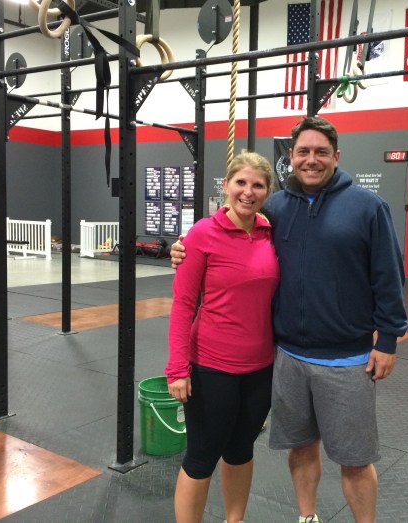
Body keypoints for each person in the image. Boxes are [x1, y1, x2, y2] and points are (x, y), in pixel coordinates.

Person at [172, 117, 408, 523]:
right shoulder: (277, 208)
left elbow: (389, 277)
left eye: (321, 152)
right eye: (303, 152)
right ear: (291, 158)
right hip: (288, 358)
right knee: (300, 447)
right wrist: (185, 246)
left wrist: (387, 339)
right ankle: (307, 517)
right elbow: (228, 229)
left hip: (346, 359)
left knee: (355, 459)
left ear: (336, 156)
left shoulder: (367, 207)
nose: (311, 160)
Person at [166, 151, 279, 523]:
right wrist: (177, 368)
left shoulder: (269, 232)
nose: (248, 191)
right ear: (227, 185)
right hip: (211, 368)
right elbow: (183, 304)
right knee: (201, 458)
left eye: (258, 185)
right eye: (241, 182)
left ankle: (235, 520)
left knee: (241, 451)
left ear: (267, 191)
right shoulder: (202, 234)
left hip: (260, 368)